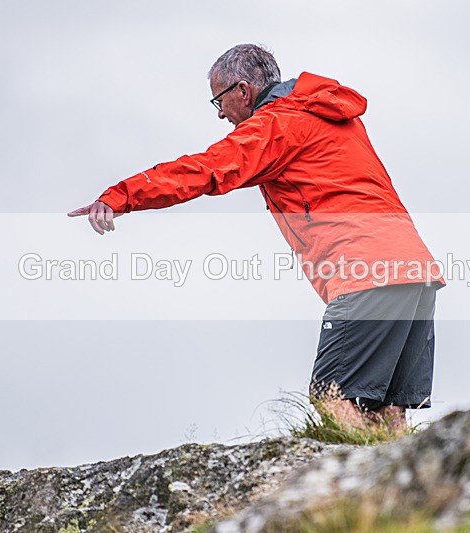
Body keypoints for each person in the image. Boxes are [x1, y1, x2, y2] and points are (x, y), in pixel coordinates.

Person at [69, 44, 444, 432]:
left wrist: (122, 196)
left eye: (219, 99)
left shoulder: (277, 124)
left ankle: (360, 484)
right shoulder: (330, 115)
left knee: (331, 394)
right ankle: (401, 486)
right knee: (387, 404)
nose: (219, 112)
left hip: (365, 268)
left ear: (243, 91)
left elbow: (206, 170)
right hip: (414, 268)